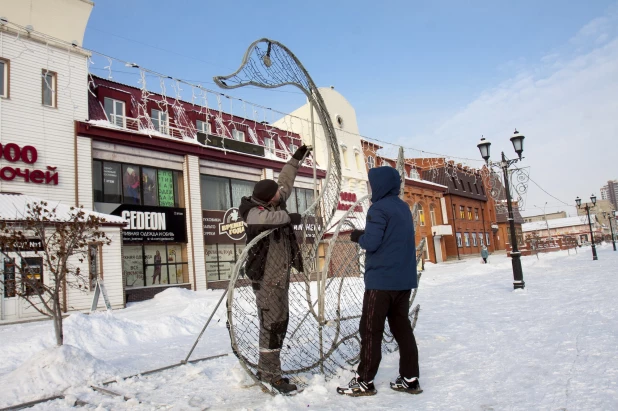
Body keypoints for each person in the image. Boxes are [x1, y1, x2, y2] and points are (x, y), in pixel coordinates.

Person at [337, 166, 422, 397]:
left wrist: (358, 236)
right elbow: (390, 237)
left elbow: (372, 242)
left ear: (381, 185)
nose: (370, 187)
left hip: (381, 281)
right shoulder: (402, 208)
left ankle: (364, 381)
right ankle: (410, 378)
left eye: (372, 184)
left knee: (371, 330)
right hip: (403, 281)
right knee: (402, 329)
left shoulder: (378, 208)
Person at [238, 145, 310, 395]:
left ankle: (267, 369)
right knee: (273, 323)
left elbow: (284, 182)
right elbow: (266, 220)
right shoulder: (252, 213)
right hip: (267, 280)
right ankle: (271, 375)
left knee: (277, 322)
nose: (281, 194)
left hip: (279, 277)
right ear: (270, 200)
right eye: (277, 195)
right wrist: (290, 217)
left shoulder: (273, 200)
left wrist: (295, 159)